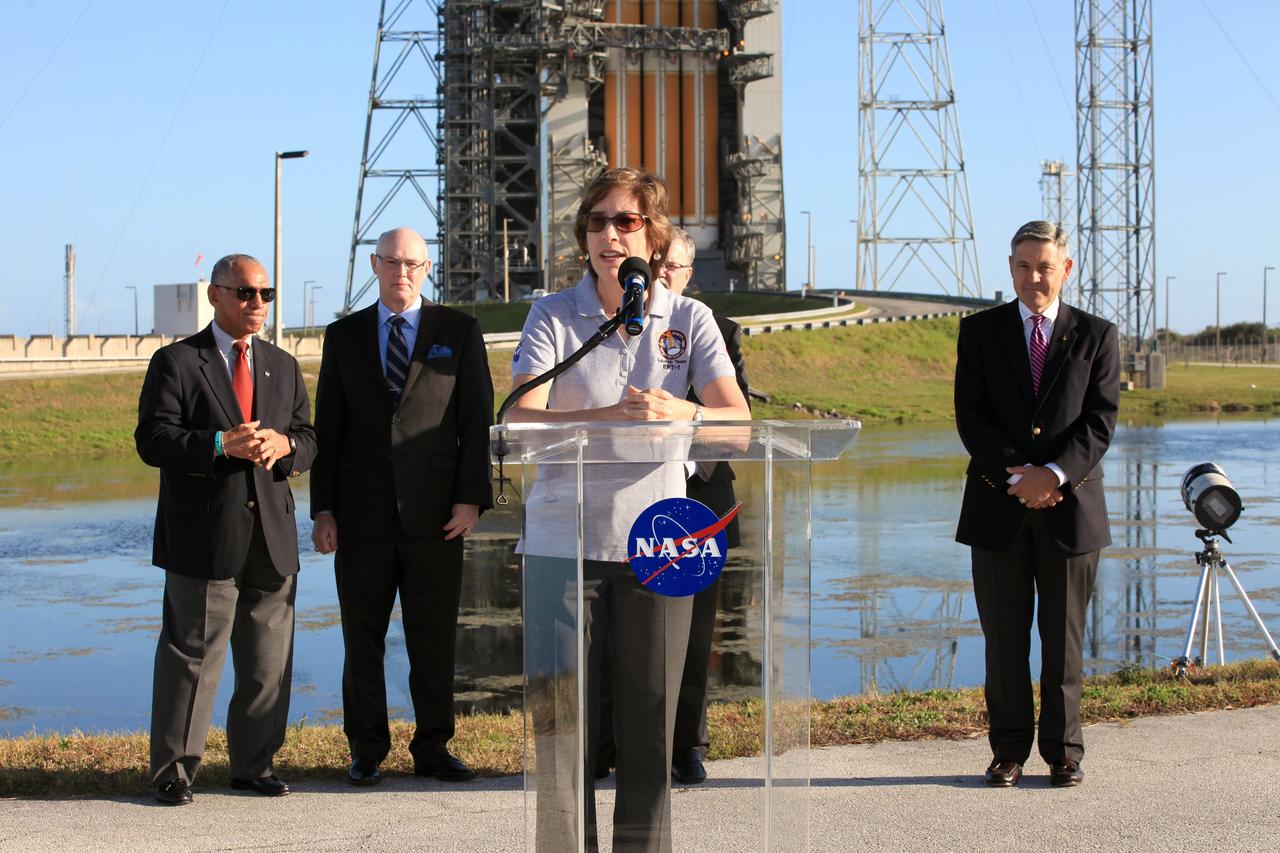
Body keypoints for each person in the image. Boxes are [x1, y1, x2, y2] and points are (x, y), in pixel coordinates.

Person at [509, 168, 751, 851]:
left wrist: (685, 411)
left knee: (650, 730)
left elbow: (738, 427)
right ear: (582, 237)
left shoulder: (690, 319)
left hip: (659, 543)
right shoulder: (552, 315)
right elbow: (523, 420)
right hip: (560, 544)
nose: (610, 234)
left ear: (655, 233)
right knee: (561, 732)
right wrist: (610, 415)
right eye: (597, 222)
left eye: (627, 221)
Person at [310, 227, 494, 787]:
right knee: (360, 637)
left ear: (428, 267)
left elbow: (475, 423)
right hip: (360, 516)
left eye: (412, 263)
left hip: (436, 514)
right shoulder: (342, 336)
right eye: (391, 262)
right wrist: (323, 510)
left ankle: (434, 746)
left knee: (432, 636)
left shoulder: (457, 331)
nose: (401, 273)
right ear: (373, 264)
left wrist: (471, 499)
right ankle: (366, 749)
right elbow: (329, 429)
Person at [136, 253, 316, 806]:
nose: (256, 304)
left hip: (273, 538)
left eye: (265, 294)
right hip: (204, 538)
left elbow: (310, 439)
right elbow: (154, 440)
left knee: (267, 660)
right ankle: (173, 770)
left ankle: (254, 765)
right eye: (244, 293)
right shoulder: (176, 362)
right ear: (214, 295)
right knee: (192, 657)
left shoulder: (283, 366)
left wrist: (285, 447)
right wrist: (219, 445)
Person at [954, 220, 1120, 789]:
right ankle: (1008, 752)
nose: (1034, 278)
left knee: (1063, 640)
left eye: (1045, 266)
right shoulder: (979, 332)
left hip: (1071, 511)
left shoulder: (1097, 335)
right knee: (1004, 640)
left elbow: (1100, 423)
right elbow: (971, 417)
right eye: (1023, 266)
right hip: (997, 509)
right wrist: (1016, 479)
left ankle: (1065, 752)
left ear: (1065, 269)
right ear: (1010, 268)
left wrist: (1051, 475)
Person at [595, 227, 751, 786]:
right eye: (656, 265)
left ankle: (686, 744)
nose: (661, 276)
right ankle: (602, 744)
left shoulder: (713, 329)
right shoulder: (616, 324)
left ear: (690, 275)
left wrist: (678, 417)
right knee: (614, 633)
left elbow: (737, 420)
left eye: (674, 269)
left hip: (696, 504)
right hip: (616, 500)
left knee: (691, 636)